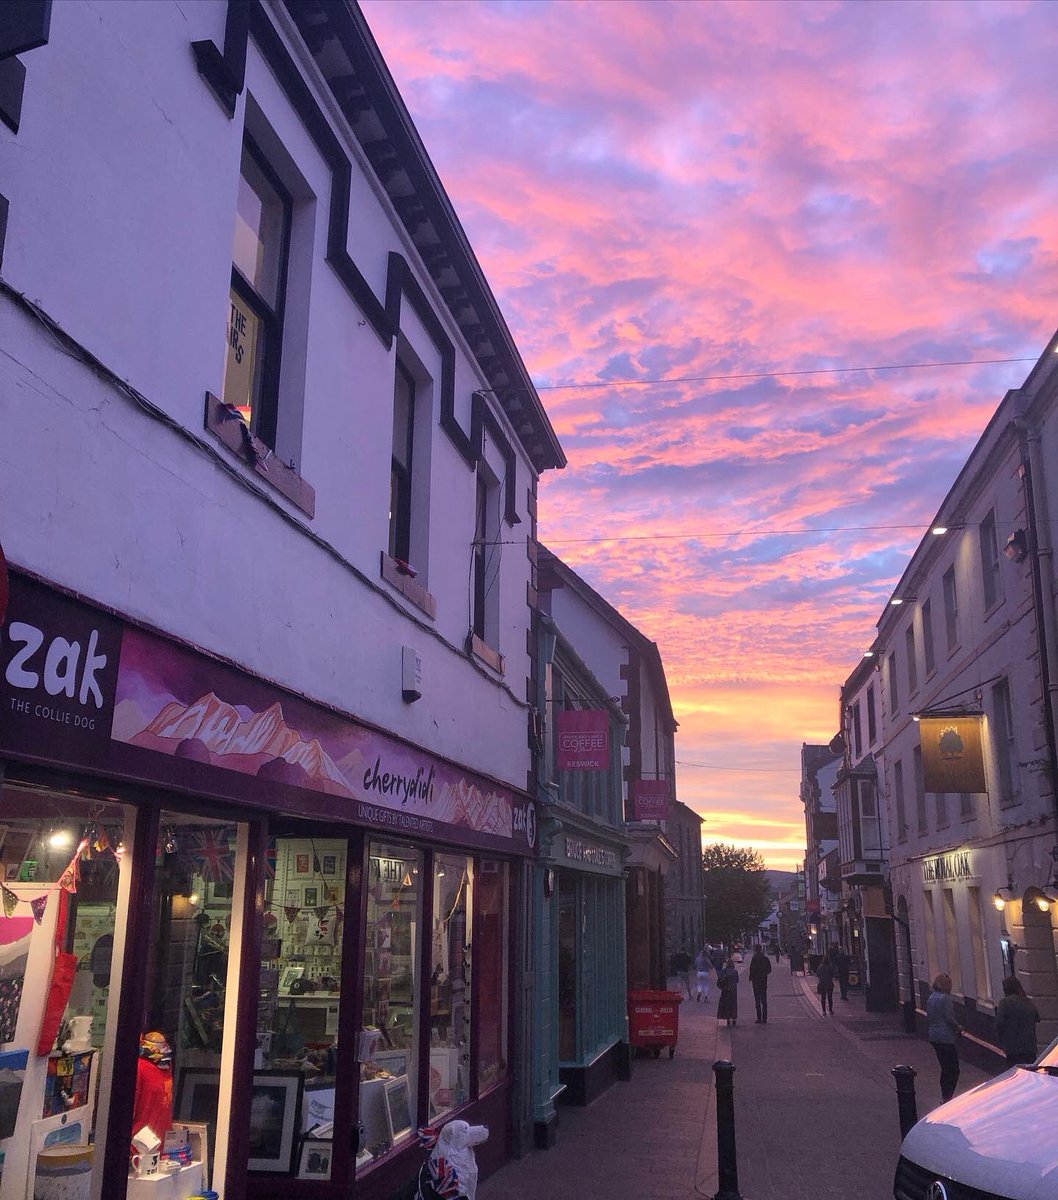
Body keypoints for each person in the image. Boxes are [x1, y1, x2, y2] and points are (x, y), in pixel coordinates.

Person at [927, 972, 962, 1101]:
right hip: (946, 1037)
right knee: (953, 1069)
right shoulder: (945, 999)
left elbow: (930, 1016)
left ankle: (944, 1095)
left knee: (944, 1067)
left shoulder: (931, 998)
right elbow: (949, 1018)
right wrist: (958, 1028)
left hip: (934, 1035)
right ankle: (948, 1096)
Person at [995, 975, 1040, 1066]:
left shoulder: (1004, 1003)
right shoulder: (1027, 1002)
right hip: (1030, 1047)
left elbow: (999, 1024)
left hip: (1013, 1049)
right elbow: (1037, 1018)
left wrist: (1002, 1041)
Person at [748, 944, 772, 1023]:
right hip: (763, 981)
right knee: (764, 1000)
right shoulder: (765, 958)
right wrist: (764, 974)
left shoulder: (754, 959)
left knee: (757, 1000)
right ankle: (764, 1018)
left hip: (756, 981)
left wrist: (751, 977)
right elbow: (769, 969)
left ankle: (759, 1017)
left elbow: (752, 969)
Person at [716, 957, 739, 1026]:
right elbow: (737, 981)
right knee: (733, 1004)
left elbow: (719, 979)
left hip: (726, 990)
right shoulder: (735, 971)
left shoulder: (724, 971)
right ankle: (734, 1018)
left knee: (726, 1004)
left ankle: (728, 1019)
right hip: (733, 990)